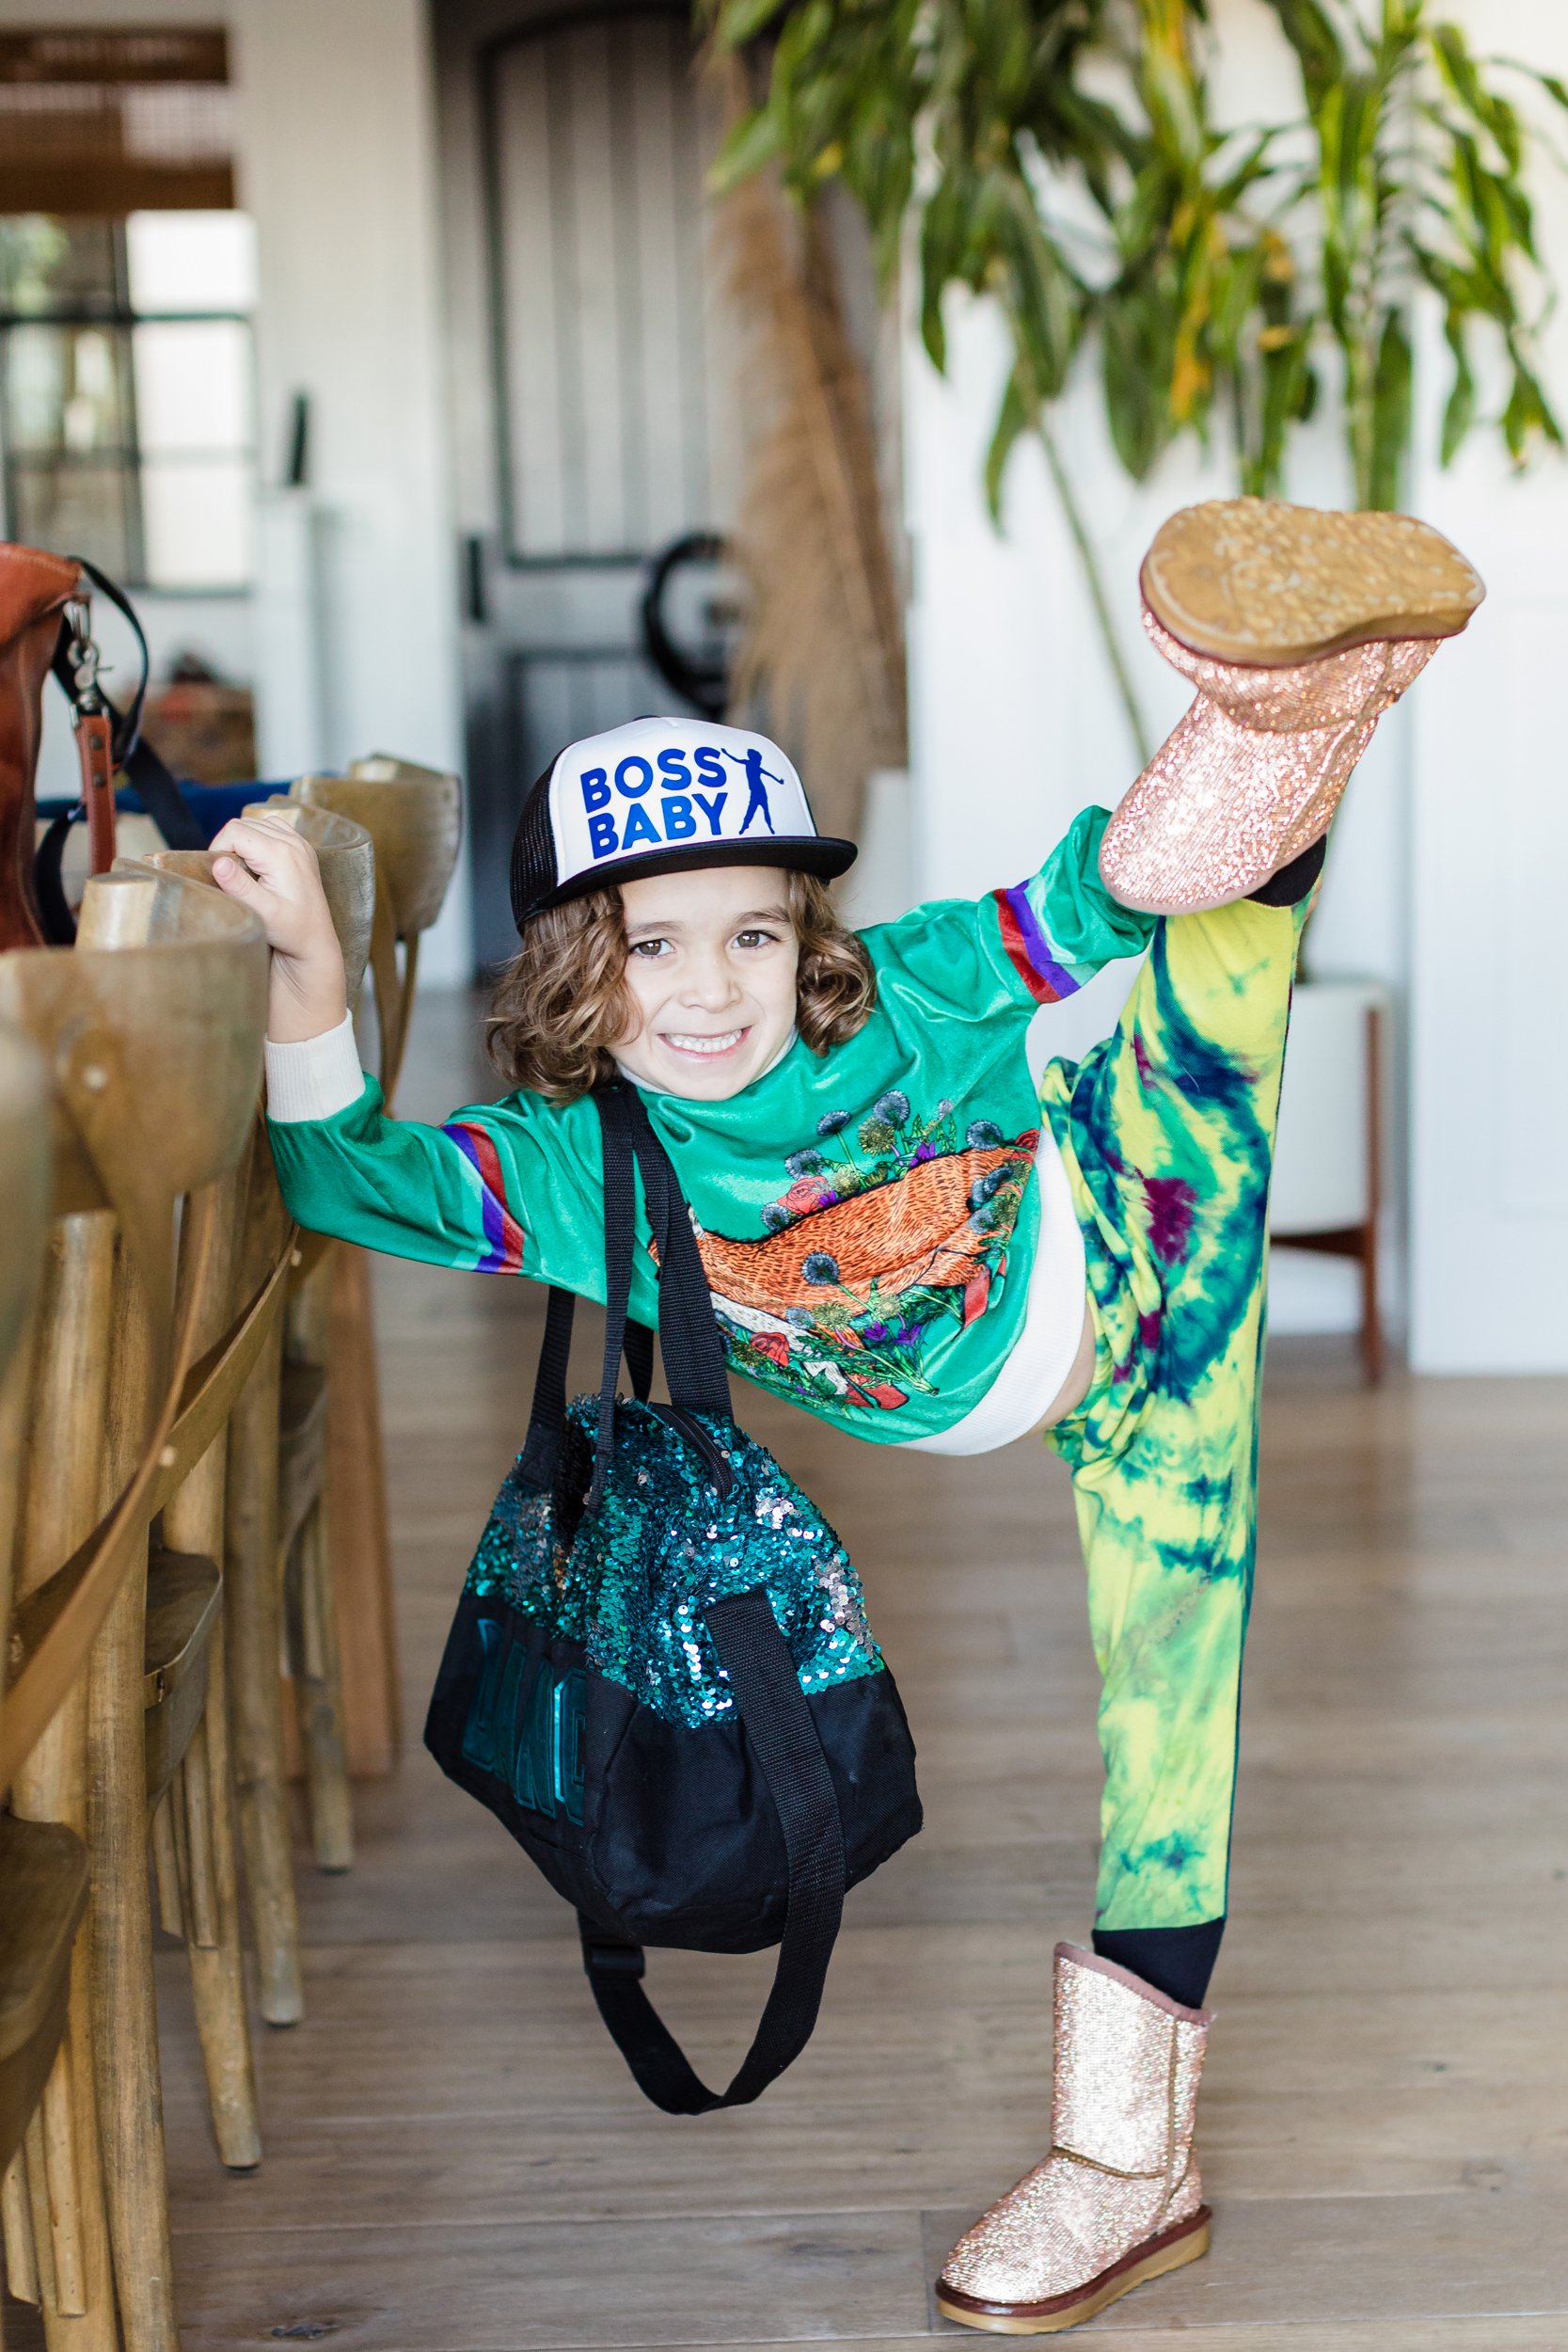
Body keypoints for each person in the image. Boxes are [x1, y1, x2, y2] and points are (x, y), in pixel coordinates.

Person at [212, 500, 1480, 2335]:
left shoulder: (904, 995)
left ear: (804, 925)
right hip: (1053, 1384)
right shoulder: (588, 1165)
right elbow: (343, 1180)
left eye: (749, 931)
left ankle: (1290, 711)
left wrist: (1197, 814)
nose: (712, 989)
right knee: (1166, 1705)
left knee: (1205, 965)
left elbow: (1102, 892)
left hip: (1142, 1227)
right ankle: (1312, 712)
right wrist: (314, 983)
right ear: (582, 968)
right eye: (654, 946)